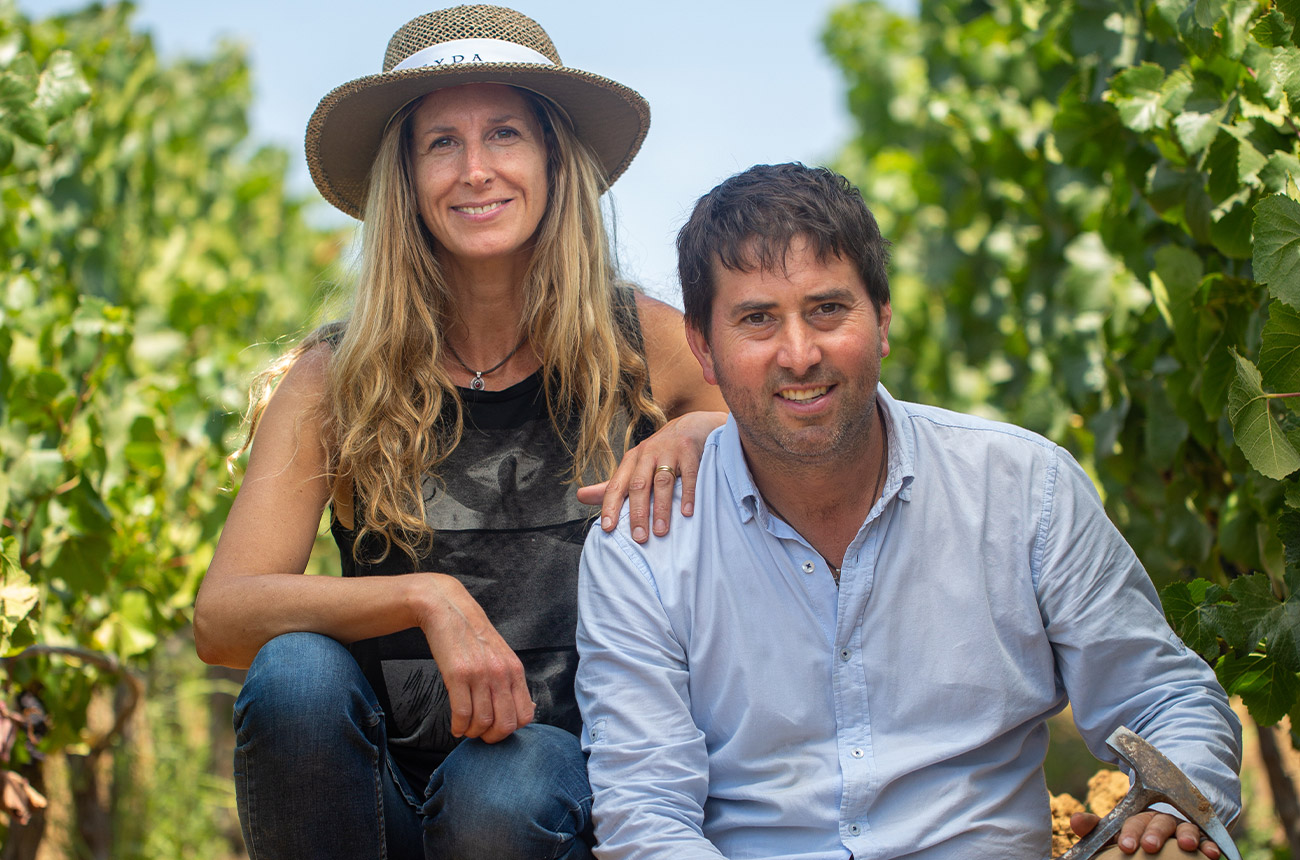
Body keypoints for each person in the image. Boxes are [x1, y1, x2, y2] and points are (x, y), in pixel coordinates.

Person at [575, 163, 1241, 860]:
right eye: (757, 320)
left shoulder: (1023, 489)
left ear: (883, 322)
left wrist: (1169, 809)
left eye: (828, 310)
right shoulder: (641, 550)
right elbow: (646, 812)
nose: (799, 355)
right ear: (704, 350)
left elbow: (1165, 698)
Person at [193, 6, 726, 859]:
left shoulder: (642, 340)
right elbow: (223, 615)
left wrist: (695, 431)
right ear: (405, 176)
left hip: (555, 790)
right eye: (442, 142)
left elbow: (767, 415)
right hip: (378, 801)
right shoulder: (337, 374)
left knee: (500, 785)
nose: (476, 170)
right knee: (293, 675)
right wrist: (426, 596)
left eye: (505, 133)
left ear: (553, 158)